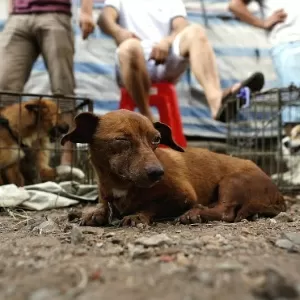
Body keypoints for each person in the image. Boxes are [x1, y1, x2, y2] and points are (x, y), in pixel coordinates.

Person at [98, 0, 264, 122]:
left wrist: (167, 42)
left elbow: (181, 25)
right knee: (130, 48)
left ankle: (216, 101)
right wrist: (118, 32)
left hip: (163, 61)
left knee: (196, 32)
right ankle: (146, 116)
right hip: (132, 64)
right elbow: (104, 18)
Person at [0, 0, 95, 169]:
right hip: (18, 16)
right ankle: (5, 157)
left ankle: (66, 163)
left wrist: (86, 11)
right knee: (4, 89)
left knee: (63, 89)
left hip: (56, 12)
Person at [228, 0, 300, 125]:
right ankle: (294, 141)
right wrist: (262, 23)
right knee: (295, 100)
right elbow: (235, 5)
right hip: (289, 41)